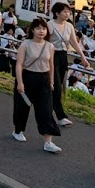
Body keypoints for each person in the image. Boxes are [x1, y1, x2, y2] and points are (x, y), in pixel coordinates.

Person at [13, 18, 62, 152]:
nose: (41, 31)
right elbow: (19, 64)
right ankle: (18, 130)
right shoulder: (26, 44)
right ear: (32, 30)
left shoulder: (50, 46)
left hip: (44, 79)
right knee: (22, 107)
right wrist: (20, 82)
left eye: (44, 28)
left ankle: (48, 142)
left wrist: (51, 81)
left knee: (46, 109)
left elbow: (51, 65)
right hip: (27, 76)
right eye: (38, 28)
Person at [50, 2, 92, 127]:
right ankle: (60, 116)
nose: (67, 14)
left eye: (69, 12)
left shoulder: (69, 26)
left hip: (63, 56)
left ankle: (46, 105)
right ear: (57, 13)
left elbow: (74, 42)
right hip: (52, 56)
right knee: (56, 86)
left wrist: (83, 58)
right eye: (64, 12)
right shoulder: (50, 25)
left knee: (60, 84)